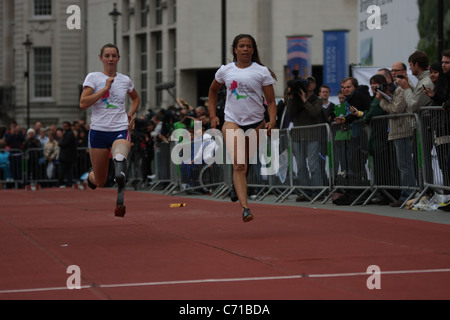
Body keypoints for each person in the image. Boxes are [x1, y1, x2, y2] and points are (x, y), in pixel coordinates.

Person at [208, 34, 277, 222]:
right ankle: (245, 208)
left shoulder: (262, 72)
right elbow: (213, 91)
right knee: (239, 164)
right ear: (235, 49)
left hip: (256, 123)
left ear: (253, 50)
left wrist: (272, 120)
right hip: (232, 121)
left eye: (248, 46)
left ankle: (235, 185)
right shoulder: (226, 70)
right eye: (242, 46)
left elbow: (271, 101)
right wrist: (213, 115)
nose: (245, 49)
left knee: (246, 163)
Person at [79, 43, 140, 217]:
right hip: (98, 131)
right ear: (101, 58)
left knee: (120, 156)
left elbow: (135, 99)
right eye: (107, 56)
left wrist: (131, 114)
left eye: (114, 56)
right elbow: (83, 104)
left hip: (119, 128)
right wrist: (105, 89)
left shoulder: (125, 80)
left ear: (118, 58)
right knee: (100, 181)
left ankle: (120, 182)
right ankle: (92, 176)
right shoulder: (93, 78)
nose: (111, 59)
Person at [377, 75, 417, 207]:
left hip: (402, 131)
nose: (394, 76)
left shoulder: (401, 89)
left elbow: (396, 110)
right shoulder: (398, 89)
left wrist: (382, 101)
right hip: (398, 131)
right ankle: (407, 194)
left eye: (397, 72)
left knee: (405, 165)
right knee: (403, 165)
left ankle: (408, 195)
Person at [56, 122, 77, 188]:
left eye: (65, 126)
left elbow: (64, 143)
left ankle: (61, 183)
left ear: (68, 126)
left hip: (66, 156)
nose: (64, 127)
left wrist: (60, 143)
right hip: (67, 156)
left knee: (63, 170)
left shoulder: (69, 134)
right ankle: (68, 183)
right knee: (67, 171)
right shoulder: (68, 133)